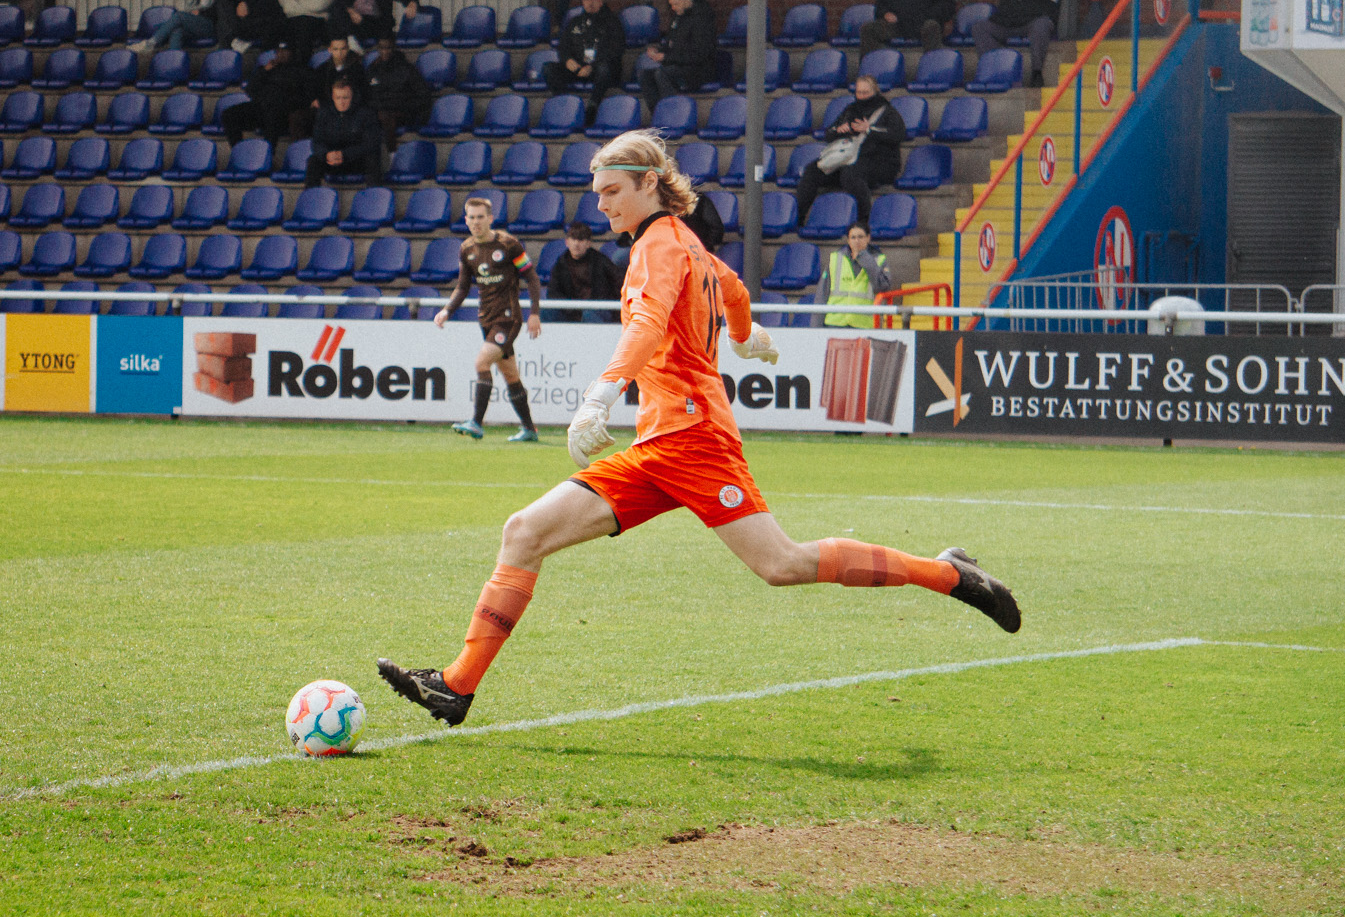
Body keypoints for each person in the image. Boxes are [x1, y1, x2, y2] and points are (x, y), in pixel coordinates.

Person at [378, 129, 1020, 728]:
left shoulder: (658, 247)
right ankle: (457, 685)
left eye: (612, 192)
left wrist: (600, 396)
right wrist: (749, 337)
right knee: (524, 532)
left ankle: (948, 574)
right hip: (656, 446)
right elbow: (734, 293)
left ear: (650, 183)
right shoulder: (689, 247)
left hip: (695, 440)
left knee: (783, 564)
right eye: (597, 194)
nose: (603, 207)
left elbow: (648, 324)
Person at [435, 196, 545, 444]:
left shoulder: (508, 245)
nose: (476, 222)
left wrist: (534, 314)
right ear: (466, 220)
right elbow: (463, 288)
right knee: (511, 375)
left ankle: (476, 422)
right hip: (485, 319)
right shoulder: (466, 249)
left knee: (481, 362)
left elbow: (532, 278)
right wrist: (446, 311)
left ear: (490, 218)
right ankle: (529, 429)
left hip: (508, 318)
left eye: (480, 217)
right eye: (471, 217)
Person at [792, 73, 905, 229]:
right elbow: (828, 133)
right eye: (859, 92)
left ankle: (863, 223)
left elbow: (898, 134)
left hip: (879, 162)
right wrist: (839, 130)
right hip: (848, 159)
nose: (862, 96)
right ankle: (798, 220)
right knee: (812, 171)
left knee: (851, 174)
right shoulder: (851, 110)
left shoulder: (887, 112)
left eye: (866, 93)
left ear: (875, 92)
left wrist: (870, 130)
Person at [545, 0, 626, 120]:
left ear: (601, 1)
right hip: (578, 68)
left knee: (605, 69)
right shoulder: (575, 22)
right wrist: (567, 60)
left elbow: (615, 50)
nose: (590, 2)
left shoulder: (612, 22)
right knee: (548, 68)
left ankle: (592, 106)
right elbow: (564, 46)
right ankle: (565, 104)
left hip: (600, 69)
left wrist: (592, 66)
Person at [640, 0, 716, 114]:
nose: (673, 8)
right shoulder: (678, 19)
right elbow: (671, 45)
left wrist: (666, 57)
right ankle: (657, 113)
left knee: (662, 73)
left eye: (676, 4)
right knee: (645, 74)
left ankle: (671, 113)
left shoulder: (701, 21)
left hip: (698, 69)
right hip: (678, 65)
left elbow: (699, 54)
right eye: (671, 5)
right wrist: (658, 51)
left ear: (686, 1)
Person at [225, 38, 318, 147]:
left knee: (272, 115)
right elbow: (250, 89)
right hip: (262, 108)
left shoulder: (303, 71)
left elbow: (307, 97)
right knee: (229, 115)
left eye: (285, 51)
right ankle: (239, 150)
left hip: (284, 113)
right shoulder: (268, 69)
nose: (281, 54)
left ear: (292, 52)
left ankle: (268, 154)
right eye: (278, 51)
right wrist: (264, 71)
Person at [815, 220, 893, 329]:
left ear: (868, 238)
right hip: (835, 323)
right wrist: (816, 326)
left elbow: (883, 287)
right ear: (848, 240)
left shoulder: (879, 259)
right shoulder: (836, 258)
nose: (857, 241)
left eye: (860, 237)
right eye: (853, 237)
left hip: (863, 324)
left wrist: (865, 259)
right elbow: (822, 294)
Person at [305, 80, 383, 188]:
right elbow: (317, 141)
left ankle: (375, 197)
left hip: (355, 160)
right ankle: (311, 199)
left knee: (372, 160)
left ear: (352, 97)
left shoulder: (366, 114)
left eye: (345, 98)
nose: (342, 102)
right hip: (332, 161)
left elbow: (370, 144)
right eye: (338, 98)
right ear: (333, 97)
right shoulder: (324, 113)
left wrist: (345, 154)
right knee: (313, 161)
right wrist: (326, 154)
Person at [545, 221, 621, 323]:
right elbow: (553, 293)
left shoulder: (601, 261)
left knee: (589, 314)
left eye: (581, 240)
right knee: (546, 311)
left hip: (598, 310)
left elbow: (618, 283)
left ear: (588, 243)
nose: (576, 244)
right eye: (573, 239)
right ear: (567, 242)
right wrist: (571, 308)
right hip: (570, 312)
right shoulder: (560, 264)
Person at [365, 34, 432, 150]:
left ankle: (392, 155)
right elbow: (366, 95)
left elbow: (423, 96)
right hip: (378, 111)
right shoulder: (373, 69)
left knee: (387, 117)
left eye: (388, 48)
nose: (385, 51)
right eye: (381, 48)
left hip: (403, 112)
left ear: (394, 48)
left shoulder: (407, 69)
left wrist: (403, 105)